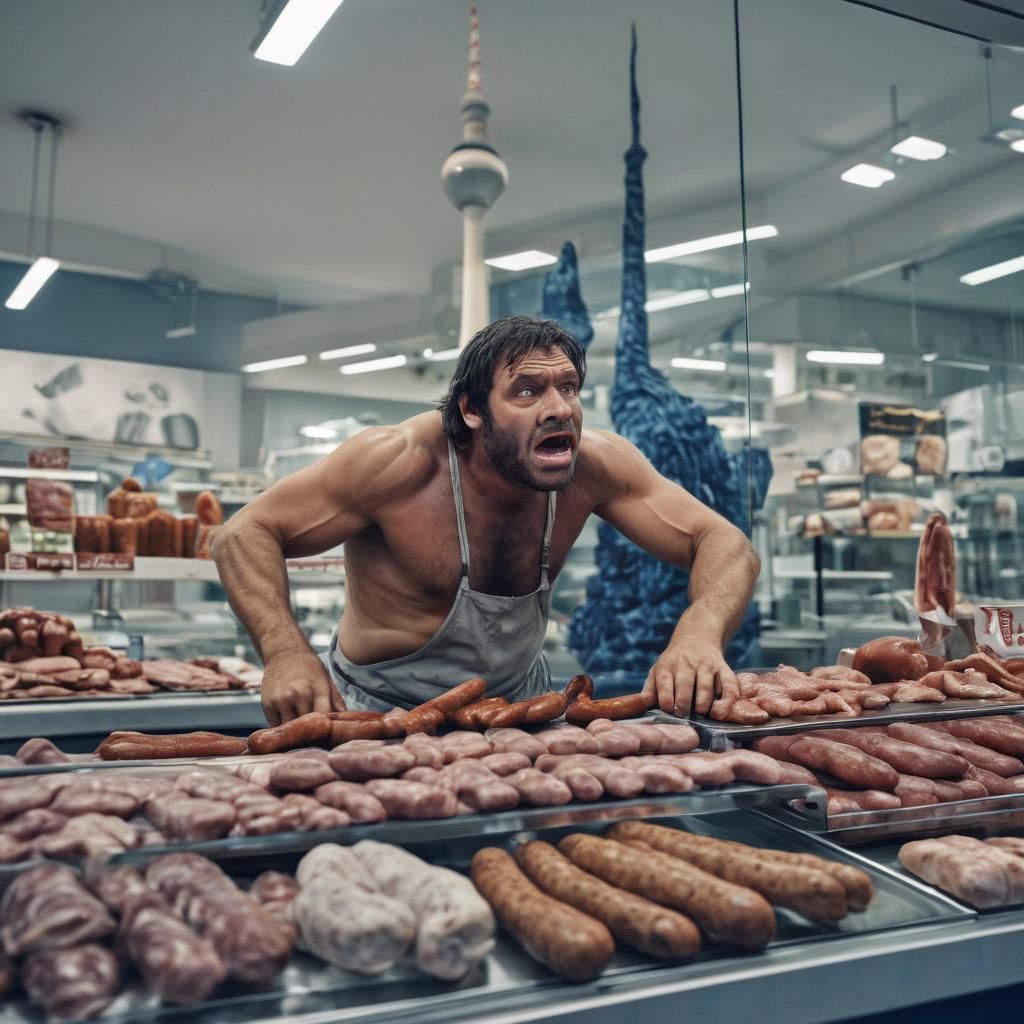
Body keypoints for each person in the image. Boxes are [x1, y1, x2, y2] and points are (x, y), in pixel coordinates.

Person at [214, 315, 760, 725]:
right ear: (472, 410)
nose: (559, 408)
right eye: (527, 390)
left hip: (519, 711)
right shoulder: (396, 462)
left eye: (568, 387)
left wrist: (699, 633)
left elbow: (724, 541)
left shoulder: (596, 465)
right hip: (375, 713)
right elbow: (244, 533)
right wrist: (285, 653)